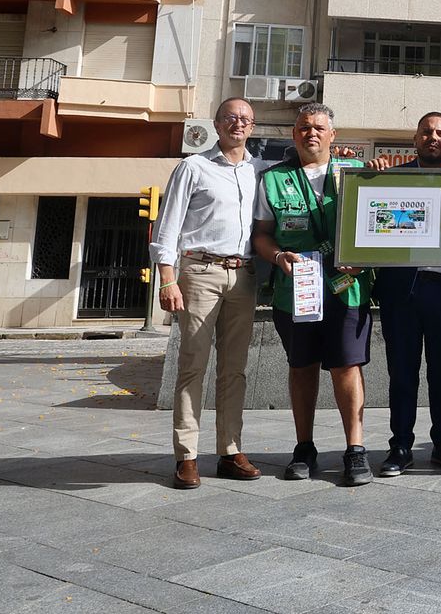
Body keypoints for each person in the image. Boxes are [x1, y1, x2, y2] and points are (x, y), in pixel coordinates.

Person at [253, 103, 374, 486]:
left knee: (347, 367)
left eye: (320, 127)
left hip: (347, 289)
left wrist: (364, 259)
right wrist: (277, 256)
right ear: (294, 134)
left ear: (332, 135)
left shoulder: (356, 173)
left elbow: (377, 226)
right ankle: (304, 448)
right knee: (301, 367)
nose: (312, 133)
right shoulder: (273, 179)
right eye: (304, 127)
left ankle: (355, 449)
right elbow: (261, 235)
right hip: (296, 291)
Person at [152, 98, 264, 490]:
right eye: (231, 117)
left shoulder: (258, 171)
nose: (238, 124)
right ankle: (186, 456)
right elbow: (167, 227)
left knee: (234, 369)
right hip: (200, 272)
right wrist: (167, 279)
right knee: (193, 365)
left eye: (245, 119)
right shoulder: (193, 167)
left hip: (244, 275)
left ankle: (230, 451)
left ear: (252, 127)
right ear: (216, 124)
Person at [369, 112, 441, 476]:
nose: (432, 137)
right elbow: (371, 221)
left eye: (440, 133)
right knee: (402, 372)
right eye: (426, 132)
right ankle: (400, 446)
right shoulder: (392, 178)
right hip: (401, 291)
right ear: (415, 139)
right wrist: (371, 180)